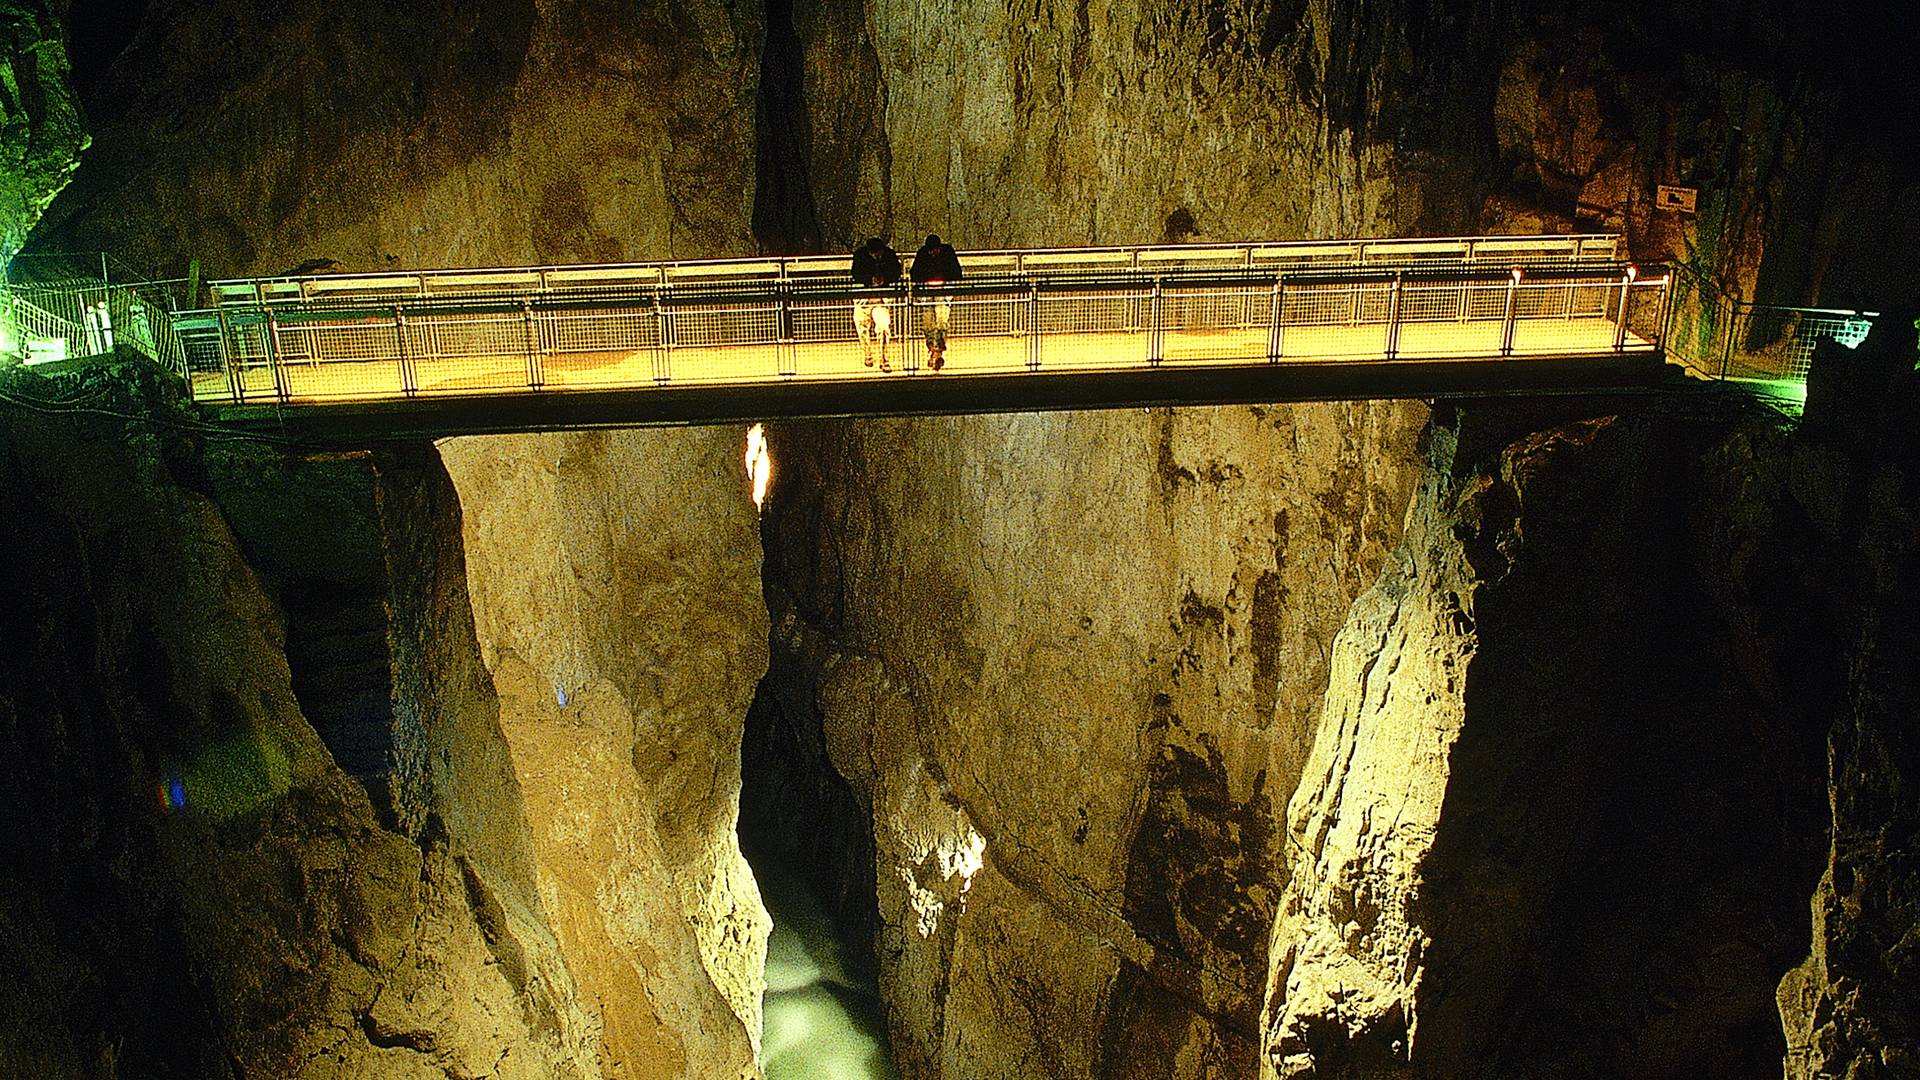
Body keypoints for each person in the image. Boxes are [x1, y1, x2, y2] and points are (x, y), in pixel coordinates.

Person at [911, 234, 963, 371]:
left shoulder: (927, 253)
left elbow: (956, 272)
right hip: (930, 292)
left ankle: (934, 350)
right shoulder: (944, 253)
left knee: (940, 321)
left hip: (939, 291)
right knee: (930, 322)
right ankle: (936, 350)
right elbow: (957, 273)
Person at [849, 237, 902, 371]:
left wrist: (885, 280)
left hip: (881, 299)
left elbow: (896, 273)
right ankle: (868, 355)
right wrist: (869, 280)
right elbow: (855, 273)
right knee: (861, 328)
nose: (877, 256)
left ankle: (884, 360)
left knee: (884, 327)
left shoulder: (889, 255)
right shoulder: (860, 256)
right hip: (863, 299)